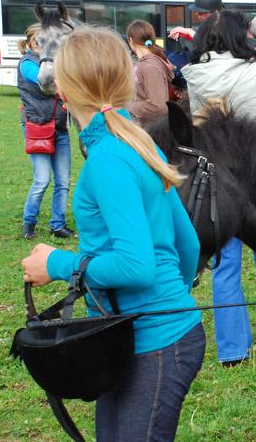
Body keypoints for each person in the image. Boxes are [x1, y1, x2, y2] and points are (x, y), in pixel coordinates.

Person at [20, 26, 204, 441]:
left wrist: (57, 263)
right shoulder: (138, 142)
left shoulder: (108, 159)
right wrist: (171, 295)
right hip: (139, 336)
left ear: (63, 91)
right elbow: (187, 244)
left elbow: (136, 266)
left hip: (155, 341)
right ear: (126, 83)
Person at [181, 9, 256, 367]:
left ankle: (232, 350)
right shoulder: (255, 74)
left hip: (212, 176)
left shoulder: (194, 76)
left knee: (224, 265)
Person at [17, 23, 75, 241]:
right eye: (40, 40)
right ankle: (28, 221)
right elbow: (43, 81)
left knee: (63, 181)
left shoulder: (53, 63)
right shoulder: (27, 64)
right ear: (32, 42)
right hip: (38, 127)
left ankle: (57, 225)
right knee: (42, 180)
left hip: (59, 128)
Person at [125, 19, 172, 127]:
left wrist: (127, 107)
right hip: (147, 127)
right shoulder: (145, 64)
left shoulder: (150, 67)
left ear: (131, 40)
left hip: (151, 130)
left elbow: (158, 105)